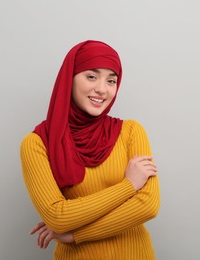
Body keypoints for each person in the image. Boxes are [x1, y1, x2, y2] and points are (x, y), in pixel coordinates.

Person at [20, 40, 160, 259]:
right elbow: (57, 217)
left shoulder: (131, 132)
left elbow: (147, 206)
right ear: (70, 78)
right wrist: (129, 185)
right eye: (91, 77)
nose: (102, 89)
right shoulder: (37, 143)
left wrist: (75, 235)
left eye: (111, 80)